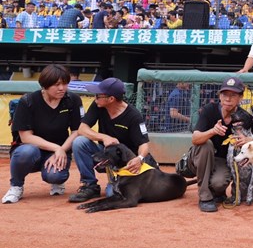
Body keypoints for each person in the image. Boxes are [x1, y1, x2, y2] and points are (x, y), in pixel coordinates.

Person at [2, 65, 82, 204]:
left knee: (55, 176)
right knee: (26, 152)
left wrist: (61, 150)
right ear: (45, 85)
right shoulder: (28, 101)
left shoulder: (73, 100)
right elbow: (26, 137)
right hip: (33, 150)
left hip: (58, 151)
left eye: (65, 83)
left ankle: (57, 182)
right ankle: (16, 186)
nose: (62, 88)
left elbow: (77, 131)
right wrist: (56, 148)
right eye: (57, 85)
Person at [68, 77, 155, 203]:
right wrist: (104, 137)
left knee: (111, 194)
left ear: (111, 99)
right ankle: (89, 185)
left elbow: (144, 144)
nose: (95, 98)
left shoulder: (134, 116)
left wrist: (140, 158)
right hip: (105, 152)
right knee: (79, 142)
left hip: (124, 161)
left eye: (98, 96)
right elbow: (82, 129)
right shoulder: (98, 105)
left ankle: (119, 182)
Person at [187, 76, 253, 212]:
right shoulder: (209, 110)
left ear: (240, 97)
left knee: (219, 184)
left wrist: (249, 140)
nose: (228, 99)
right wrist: (212, 131)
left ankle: (216, 191)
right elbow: (195, 139)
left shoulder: (246, 117)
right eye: (225, 95)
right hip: (199, 159)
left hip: (221, 161)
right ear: (220, 96)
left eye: (233, 95)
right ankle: (205, 196)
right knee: (206, 144)